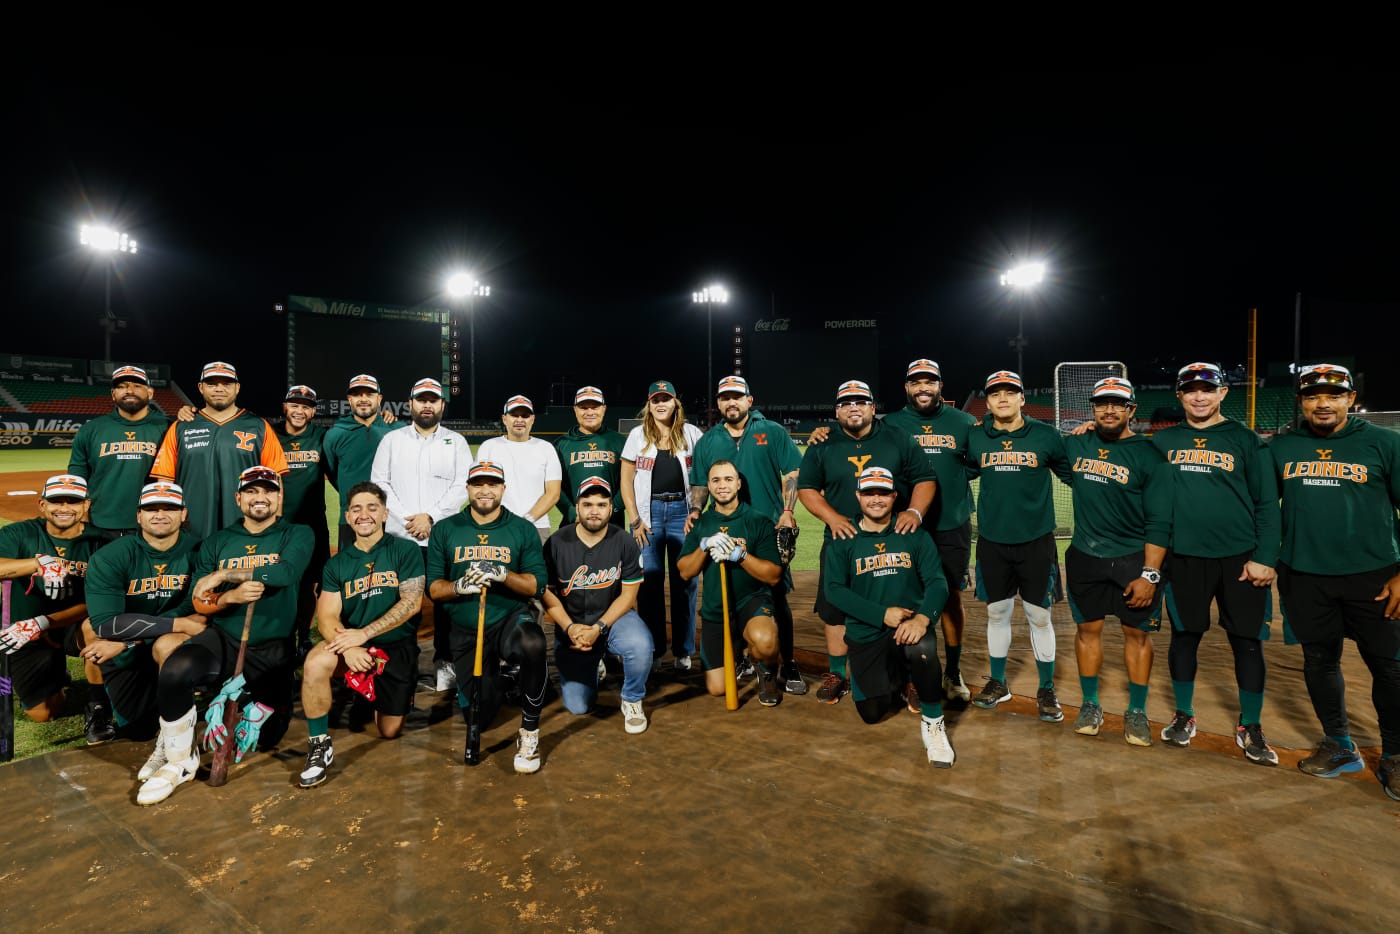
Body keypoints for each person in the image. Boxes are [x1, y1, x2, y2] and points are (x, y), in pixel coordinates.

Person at [137, 466, 313, 805]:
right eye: (250, 491)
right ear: (238, 498)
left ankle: (237, 701)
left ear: (279, 498)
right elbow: (200, 600)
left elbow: (286, 571)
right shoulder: (218, 541)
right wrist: (230, 596)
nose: (259, 497)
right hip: (225, 637)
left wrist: (225, 573)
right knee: (175, 671)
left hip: (273, 647)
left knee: (269, 737)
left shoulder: (297, 533)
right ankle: (179, 760)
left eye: (268, 491)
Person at [1268, 364, 1400, 800]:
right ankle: (1339, 744)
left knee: (1389, 666)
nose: (1322, 403)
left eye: (1333, 395)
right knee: (1320, 663)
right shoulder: (1284, 446)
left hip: (1375, 577)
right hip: (1305, 576)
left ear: (1349, 399)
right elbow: (1264, 507)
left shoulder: (1384, 442)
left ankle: (1396, 756)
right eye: (1312, 396)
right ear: (1303, 402)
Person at [1151, 362, 1281, 764]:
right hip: (1184, 558)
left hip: (1240, 561)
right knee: (1185, 637)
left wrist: (1265, 558)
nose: (1199, 396)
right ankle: (1184, 715)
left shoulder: (1245, 439)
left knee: (1247, 642)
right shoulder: (1162, 441)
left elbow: (1267, 504)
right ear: (1180, 396)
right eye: (1190, 389)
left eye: (1207, 389)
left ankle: (1251, 725)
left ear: (1223, 393)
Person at [797, 379, 935, 704]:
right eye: (846, 403)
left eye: (860, 401)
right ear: (837, 411)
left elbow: (925, 478)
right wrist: (832, 518)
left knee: (903, 603)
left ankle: (910, 675)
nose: (853, 407)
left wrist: (914, 511)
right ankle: (837, 674)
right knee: (834, 610)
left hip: (893, 537)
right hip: (842, 539)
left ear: (873, 407)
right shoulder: (823, 442)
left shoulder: (897, 438)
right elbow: (806, 487)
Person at [1062, 377, 1172, 746]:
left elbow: (1160, 523)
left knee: (1136, 635)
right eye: (1102, 404)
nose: (1109, 410)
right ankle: (1090, 703)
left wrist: (1150, 575)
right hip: (1085, 558)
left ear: (1131, 410)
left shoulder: (1149, 455)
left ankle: (1137, 710)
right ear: (1093, 408)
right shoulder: (1076, 444)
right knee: (1087, 632)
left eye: (1117, 404)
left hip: (1132, 560)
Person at [298, 481, 426, 788]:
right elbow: (327, 616)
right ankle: (318, 746)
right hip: (354, 645)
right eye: (356, 508)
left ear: (384, 513)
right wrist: (349, 647)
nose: (363, 514)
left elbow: (411, 603)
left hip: (395, 646)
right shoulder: (338, 563)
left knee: (389, 731)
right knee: (315, 663)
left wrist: (363, 633)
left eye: (372, 507)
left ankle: (368, 695)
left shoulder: (404, 550)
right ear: (347, 516)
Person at [823, 467, 954, 766]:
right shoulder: (844, 537)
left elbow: (937, 582)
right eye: (869, 493)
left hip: (908, 626)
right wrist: (881, 614)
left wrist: (922, 619)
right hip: (867, 631)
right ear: (858, 496)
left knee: (922, 650)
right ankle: (899, 678)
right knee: (872, 713)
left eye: (883, 493)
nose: (876, 499)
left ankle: (934, 725)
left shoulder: (912, 534)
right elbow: (834, 590)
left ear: (895, 496)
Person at [963, 370, 1072, 722]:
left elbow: (1076, 473)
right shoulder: (976, 438)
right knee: (997, 613)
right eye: (996, 394)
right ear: (988, 401)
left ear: (1023, 398)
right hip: (993, 542)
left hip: (1037, 542)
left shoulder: (1046, 436)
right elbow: (955, 472)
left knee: (1039, 616)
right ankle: (998, 682)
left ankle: (1046, 688)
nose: (1003, 399)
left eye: (1011, 392)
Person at [427, 462, 549, 773]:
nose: (485, 490)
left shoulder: (521, 529)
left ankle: (530, 731)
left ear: (503, 489)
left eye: (492, 484)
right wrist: (458, 586)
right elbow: (434, 589)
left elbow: (537, 584)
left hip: (509, 618)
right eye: (478, 484)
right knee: (478, 718)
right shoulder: (445, 529)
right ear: (467, 489)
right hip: (467, 628)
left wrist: (503, 574)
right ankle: (506, 678)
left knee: (533, 643)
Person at [871, 359, 979, 705]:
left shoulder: (963, 422)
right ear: (906, 387)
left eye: (929, 381)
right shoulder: (891, 424)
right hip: (904, 525)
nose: (922, 387)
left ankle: (953, 671)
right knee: (900, 595)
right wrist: (822, 432)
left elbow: (980, 462)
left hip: (951, 524)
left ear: (940, 386)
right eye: (915, 382)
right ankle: (906, 673)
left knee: (949, 597)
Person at [688, 375, 807, 692]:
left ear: (749, 400)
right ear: (718, 404)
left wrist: (787, 511)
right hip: (725, 528)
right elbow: (700, 482)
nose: (731, 402)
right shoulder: (708, 440)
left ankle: (788, 662)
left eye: (737, 396)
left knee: (776, 594)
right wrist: (696, 511)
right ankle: (742, 656)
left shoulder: (771, 431)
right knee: (730, 591)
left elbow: (792, 472)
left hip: (766, 527)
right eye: (725, 397)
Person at [79, 481, 206, 773]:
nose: (160, 514)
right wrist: (174, 623)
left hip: (161, 644)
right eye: (151, 508)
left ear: (183, 514)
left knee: (172, 641)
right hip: (132, 650)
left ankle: (176, 735)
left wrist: (128, 641)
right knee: (138, 729)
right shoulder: (111, 556)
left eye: (169, 508)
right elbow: (106, 623)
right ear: (138, 516)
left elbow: (195, 612)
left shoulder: (201, 550)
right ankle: (103, 706)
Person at [370, 377, 472, 692]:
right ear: (410, 404)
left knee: (445, 605)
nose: (427, 405)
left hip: (442, 537)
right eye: (421, 399)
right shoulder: (392, 440)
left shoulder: (456, 442)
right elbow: (380, 483)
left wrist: (431, 517)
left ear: (441, 405)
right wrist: (407, 518)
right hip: (401, 539)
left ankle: (445, 664)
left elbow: (462, 485)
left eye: (433, 400)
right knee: (399, 603)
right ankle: (402, 664)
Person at [0, 475, 109, 740]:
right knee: (44, 713)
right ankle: (57, 674)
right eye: (55, 501)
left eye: (73, 502)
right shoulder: (19, 533)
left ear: (86, 506)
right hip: (25, 628)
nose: (64, 508)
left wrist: (45, 622)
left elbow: (101, 602)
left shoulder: (102, 544)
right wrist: (39, 564)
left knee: (97, 628)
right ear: (42, 505)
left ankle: (98, 708)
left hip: (72, 623)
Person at [543, 477, 651, 732]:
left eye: (601, 504)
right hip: (573, 625)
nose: (594, 510)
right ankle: (594, 662)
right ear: (577, 509)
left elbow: (628, 595)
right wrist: (570, 628)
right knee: (578, 706)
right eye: (587, 504)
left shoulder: (624, 540)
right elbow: (547, 595)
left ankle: (633, 699)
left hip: (614, 619)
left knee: (640, 644)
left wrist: (599, 627)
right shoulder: (556, 543)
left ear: (611, 509)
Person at [678, 460, 785, 706]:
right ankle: (739, 655)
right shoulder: (700, 524)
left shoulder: (758, 520)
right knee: (717, 689)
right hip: (717, 609)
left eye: (728, 479)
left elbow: (773, 575)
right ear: (708, 486)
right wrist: (704, 546)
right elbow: (685, 571)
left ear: (738, 483)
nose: (722, 485)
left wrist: (741, 556)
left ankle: (766, 671)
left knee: (765, 641)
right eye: (716, 480)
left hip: (751, 602)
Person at [150, 361, 289, 540]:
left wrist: (274, 523)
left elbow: (275, 479)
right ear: (201, 387)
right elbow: (165, 481)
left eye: (226, 383)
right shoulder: (181, 427)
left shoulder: (259, 426)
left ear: (237, 388)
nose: (219, 389)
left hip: (245, 527)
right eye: (212, 383)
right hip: (191, 529)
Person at [620, 379, 704, 668]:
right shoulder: (637, 435)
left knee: (686, 581)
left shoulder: (692, 433)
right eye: (655, 399)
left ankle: (683, 649)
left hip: (683, 511)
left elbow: (703, 474)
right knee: (649, 583)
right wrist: (635, 519)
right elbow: (626, 481)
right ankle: (654, 650)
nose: (661, 404)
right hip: (648, 514)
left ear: (675, 403)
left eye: (665, 399)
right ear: (649, 405)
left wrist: (696, 510)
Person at [67, 365, 170, 537]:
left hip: (155, 522)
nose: (129, 390)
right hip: (102, 522)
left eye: (137, 386)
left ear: (150, 393)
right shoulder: (90, 430)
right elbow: (77, 478)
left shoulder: (169, 428)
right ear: (113, 394)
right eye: (122, 386)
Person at [275, 384, 330, 655]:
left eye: (306, 406)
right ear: (285, 407)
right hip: (276, 525)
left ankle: (304, 636)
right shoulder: (269, 434)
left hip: (312, 524)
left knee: (309, 584)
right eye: (294, 405)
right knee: (279, 583)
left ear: (313, 411)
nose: (299, 411)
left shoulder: (321, 436)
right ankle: (280, 636)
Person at [476, 395, 562, 544]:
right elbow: (479, 490)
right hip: (495, 526)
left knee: (534, 568)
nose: (520, 420)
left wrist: (527, 520)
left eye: (525, 415)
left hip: (536, 527)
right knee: (492, 568)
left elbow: (553, 493)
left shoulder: (546, 448)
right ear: (504, 419)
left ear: (533, 419)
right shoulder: (489, 447)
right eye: (514, 415)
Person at [322, 374, 397, 544]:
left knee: (391, 570)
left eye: (369, 394)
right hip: (351, 518)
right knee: (349, 569)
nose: (363, 399)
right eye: (357, 394)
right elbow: (333, 474)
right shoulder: (334, 434)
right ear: (349, 399)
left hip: (391, 518)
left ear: (379, 399)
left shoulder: (397, 430)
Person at [555, 386, 627, 527]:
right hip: (574, 524)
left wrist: (613, 509)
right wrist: (571, 513)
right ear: (575, 410)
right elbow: (554, 486)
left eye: (595, 407)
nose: (590, 412)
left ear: (604, 409)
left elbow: (630, 482)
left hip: (612, 523)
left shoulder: (620, 442)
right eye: (583, 407)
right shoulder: (560, 445)